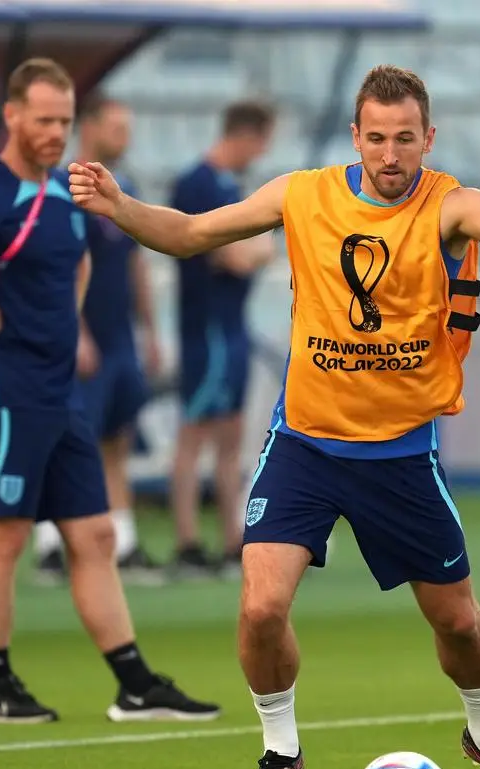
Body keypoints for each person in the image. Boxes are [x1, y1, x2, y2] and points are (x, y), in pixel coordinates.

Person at [70, 64, 480, 769]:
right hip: (304, 442)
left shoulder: (451, 203)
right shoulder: (303, 194)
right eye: (377, 138)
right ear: (356, 138)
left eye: (406, 139)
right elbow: (193, 234)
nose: (391, 155)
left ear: (429, 138)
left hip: (399, 452)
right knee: (261, 606)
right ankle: (280, 749)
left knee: (458, 621)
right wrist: (118, 206)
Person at [0, 57, 220, 725]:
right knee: (4, 537)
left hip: (59, 391)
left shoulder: (68, 193)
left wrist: (72, 332)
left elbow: (82, 258)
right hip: (5, 391)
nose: (55, 132)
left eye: (64, 121)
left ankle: (135, 683)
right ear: (11, 117)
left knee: (94, 535)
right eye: (43, 120)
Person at [33, 91, 165, 586]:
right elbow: (56, 267)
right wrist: (76, 331)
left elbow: (135, 265)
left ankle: (124, 542)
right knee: (66, 439)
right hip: (78, 340)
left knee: (116, 437)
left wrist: (150, 332)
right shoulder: (60, 188)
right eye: (117, 127)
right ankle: (49, 546)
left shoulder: (121, 188)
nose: (125, 137)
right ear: (87, 128)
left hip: (119, 339)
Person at [168, 101, 277, 580]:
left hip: (232, 326)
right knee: (194, 436)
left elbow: (258, 247)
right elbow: (232, 256)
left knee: (232, 436)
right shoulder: (198, 184)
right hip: (207, 328)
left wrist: (251, 249)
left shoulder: (232, 187)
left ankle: (234, 538)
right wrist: (252, 250)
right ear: (247, 135)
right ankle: (188, 542)